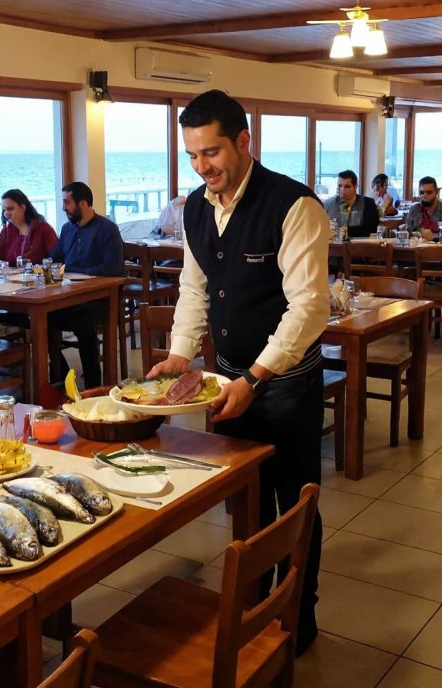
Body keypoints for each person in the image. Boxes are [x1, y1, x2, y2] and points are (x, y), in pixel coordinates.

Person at [149, 89, 328, 656]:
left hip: (285, 383)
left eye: (213, 152)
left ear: (244, 142)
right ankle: (251, 610)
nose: (203, 167)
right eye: (193, 155)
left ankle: (298, 618)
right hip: (228, 383)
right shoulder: (197, 208)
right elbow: (194, 288)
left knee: (294, 505)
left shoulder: (294, 206)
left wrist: (256, 377)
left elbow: (309, 308)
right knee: (247, 503)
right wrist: (181, 352)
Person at [49, 182, 124, 388]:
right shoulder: (67, 229)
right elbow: (54, 258)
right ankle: (62, 379)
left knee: (84, 323)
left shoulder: (107, 229)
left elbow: (113, 268)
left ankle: (94, 385)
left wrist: (78, 270)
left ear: (82, 203)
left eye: (67, 202)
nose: (64, 208)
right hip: (69, 296)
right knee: (41, 320)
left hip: (99, 300)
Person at [0, 189, 57, 264]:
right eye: (4, 210)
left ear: (23, 207)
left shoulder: (44, 229)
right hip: (10, 275)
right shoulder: (6, 231)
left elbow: (56, 258)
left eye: (10, 209)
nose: (6, 214)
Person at [322, 170, 379, 238]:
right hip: (334, 246)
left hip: (359, 246)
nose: (342, 190)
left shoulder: (368, 203)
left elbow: (371, 230)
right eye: (340, 186)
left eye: (347, 186)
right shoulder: (328, 204)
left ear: (355, 187)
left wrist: (341, 231)